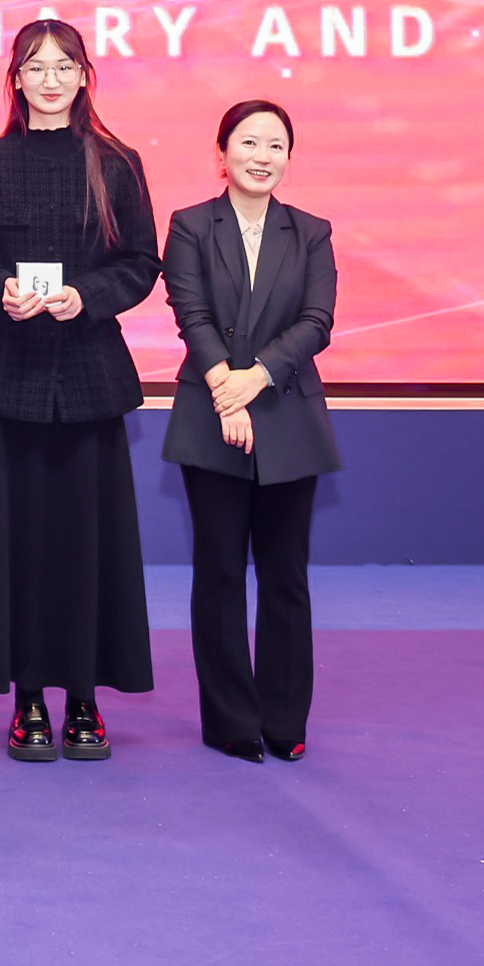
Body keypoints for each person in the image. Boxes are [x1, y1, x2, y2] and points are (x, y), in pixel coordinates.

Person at [0, 17, 160, 762]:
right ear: (15, 78)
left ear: (83, 76)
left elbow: (141, 262)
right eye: (35, 66)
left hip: (91, 379)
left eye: (63, 65)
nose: (49, 79)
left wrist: (87, 297)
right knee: (19, 547)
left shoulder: (118, 162)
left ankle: (85, 698)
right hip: (10, 379)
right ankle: (28, 696)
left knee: (88, 545)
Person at [162, 99, 340, 763]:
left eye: (275, 145)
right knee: (218, 574)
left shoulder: (312, 231)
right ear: (222, 152)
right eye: (248, 142)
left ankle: (285, 717)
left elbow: (317, 321)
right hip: (210, 414)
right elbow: (191, 313)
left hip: (287, 414)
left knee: (285, 576)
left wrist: (255, 378)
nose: (261, 156)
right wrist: (225, 390)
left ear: (288, 158)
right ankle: (231, 719)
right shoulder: (189, 225)